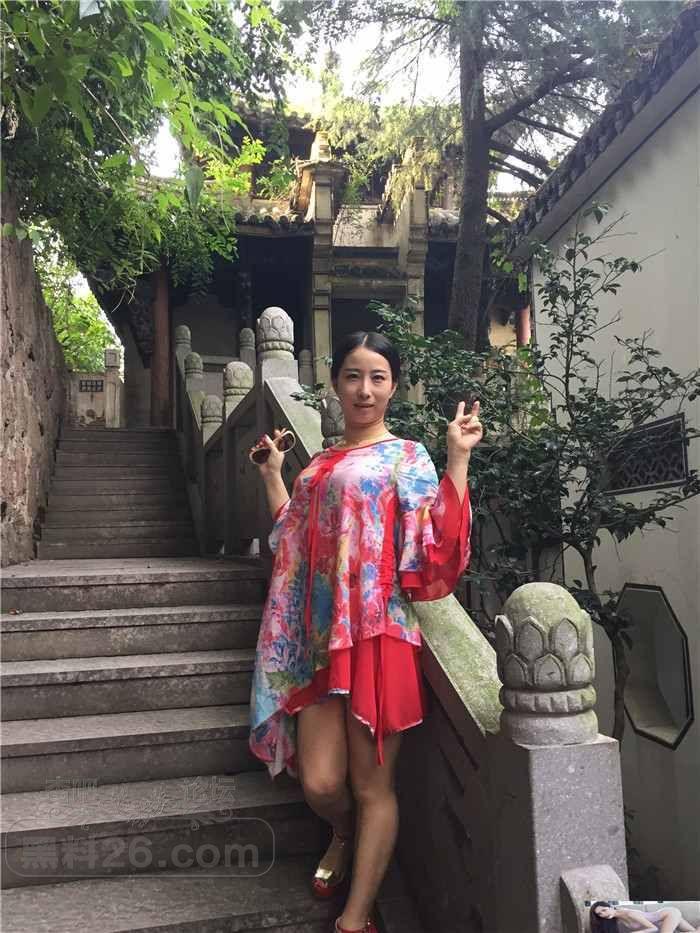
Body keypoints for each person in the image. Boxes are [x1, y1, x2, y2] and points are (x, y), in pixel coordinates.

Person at [248, 331, 482, 933]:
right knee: (322, 783)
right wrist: (274, 474)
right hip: (320, 639)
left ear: (393, 386)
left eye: (378, 377)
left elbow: (435, 547)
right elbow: (295, 538)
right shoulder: (320, 465)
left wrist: (457, 458)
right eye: (353, 375)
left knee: (374, 784)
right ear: (335, 384)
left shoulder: (407, 457)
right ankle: (344, 831)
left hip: (380, 633)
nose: (364, 389)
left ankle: (356, 918)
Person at [590, 901, 700, 933]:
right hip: (662, 921)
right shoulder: (617, 918)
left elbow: (654, 928)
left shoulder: (629, 913)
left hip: (669, 914)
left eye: (604, 910)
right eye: (600, 914)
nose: (603, 914)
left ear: (610, 907)